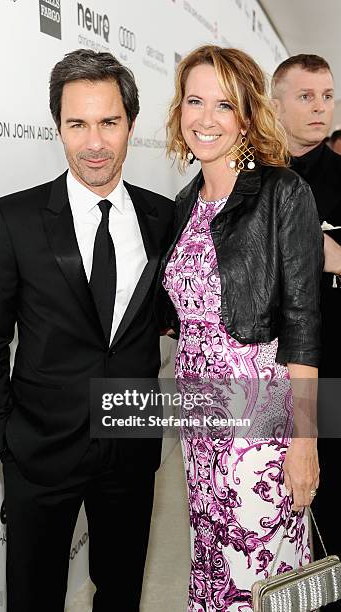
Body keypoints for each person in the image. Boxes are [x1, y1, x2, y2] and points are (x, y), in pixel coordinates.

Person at [0, 49, 173, 612]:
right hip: (40, 450)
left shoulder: (163, 218)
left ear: (131, 123)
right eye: (77, 124)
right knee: (34, 598)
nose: (94, 142)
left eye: (108, 122)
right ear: (57, 126)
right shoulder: (13, 219)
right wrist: (6, 433)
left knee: (122, 591)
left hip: (130, 442)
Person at [161, 45, 323, 612]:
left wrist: (304, 443)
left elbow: (303, 323)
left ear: (248, 115)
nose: (206, 118)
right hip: (201, 421)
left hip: (261, 425)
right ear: (179, 110)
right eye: (194, 101)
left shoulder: (282, 191)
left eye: (224, 105)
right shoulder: (184, 204)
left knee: (260, 576)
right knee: (211, 561)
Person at [272, 54, 341, 608]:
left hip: (331, 377)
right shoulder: (249, 177)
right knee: (270, 529)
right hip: (259, 381)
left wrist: (322, 250)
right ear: (276, 104)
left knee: (330, 520)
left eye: (327, 95)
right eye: (306, 96)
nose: (320, 107)